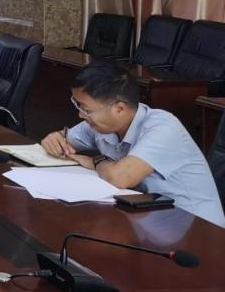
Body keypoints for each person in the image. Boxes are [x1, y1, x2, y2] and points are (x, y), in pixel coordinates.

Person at [41, 62, 225, 227]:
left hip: (196, 227)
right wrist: (54, 138)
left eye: (86, 109)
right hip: (149, 216)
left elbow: (121, 178)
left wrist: (96, 161)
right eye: (78, 106)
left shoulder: (163, 126)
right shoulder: (101, 123)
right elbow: (65, 141)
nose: (81, 115)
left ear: (119, 108)